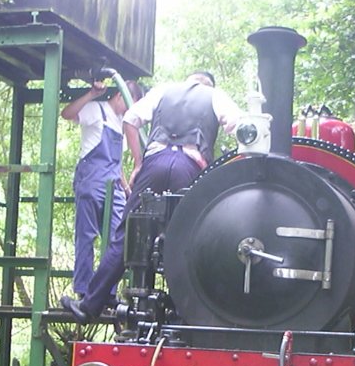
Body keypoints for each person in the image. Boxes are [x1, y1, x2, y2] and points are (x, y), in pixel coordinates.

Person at [61, 70, 242, 322]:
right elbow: (242, 129)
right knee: (186, 239)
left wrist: (138, 163)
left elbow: (130, 120)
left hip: (154, 164)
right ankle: (185, 314)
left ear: (188, 79)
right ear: (208, 84)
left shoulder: (165, 89)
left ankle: (90, 305)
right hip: (189, 168)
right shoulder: (214, 96)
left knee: (126, 236)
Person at [61, 76, 145, 298]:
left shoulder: (122, 124)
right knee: (86, 236)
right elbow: (67, 114)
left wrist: (128, 189)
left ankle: (106, 292)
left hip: (114, 185)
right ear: (120, 96)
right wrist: (91, 94)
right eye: (129, 104)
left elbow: (116, 164)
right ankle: (83, 289)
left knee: (117, 237)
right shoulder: (96, 110)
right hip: (91, 180)